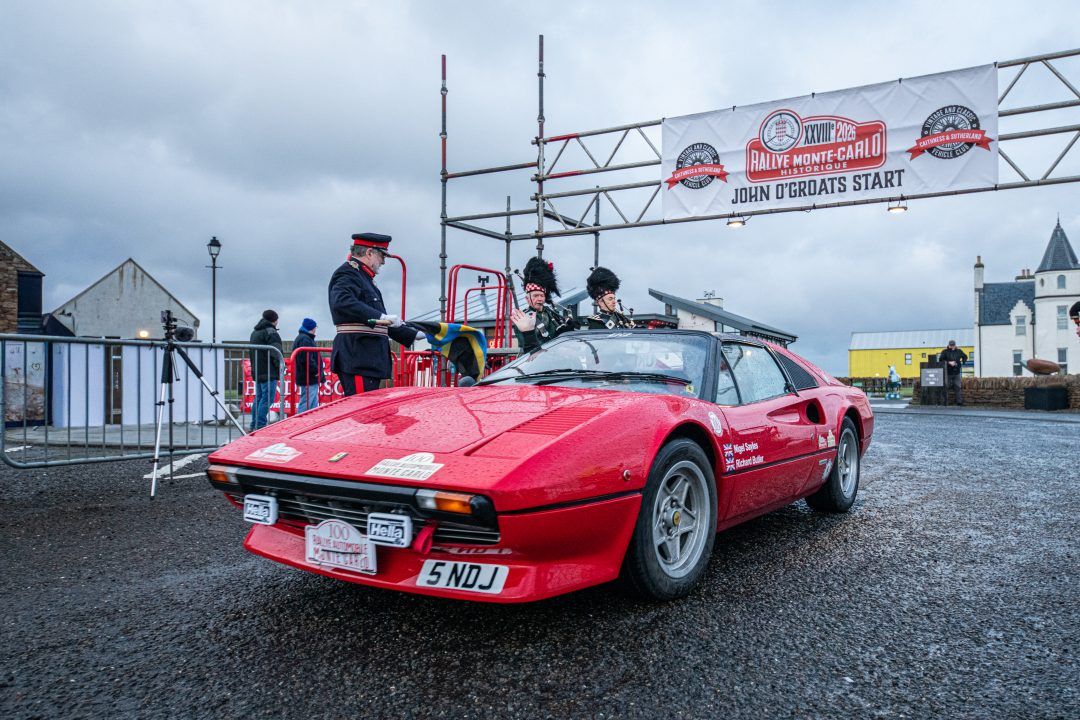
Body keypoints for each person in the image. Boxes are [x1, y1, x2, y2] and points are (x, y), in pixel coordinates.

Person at [328, 233, 419, 396]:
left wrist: (415, 335)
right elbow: (342, 302)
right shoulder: (348, 274)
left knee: (366, 415)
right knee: (361, 415)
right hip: (358, 357)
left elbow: (379, 323)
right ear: (369, 253)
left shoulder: (364, 278)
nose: (383, 261)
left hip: (366, 359)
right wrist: (382, 317)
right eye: (381, 256)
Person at [510, 256, 578, 352]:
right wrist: (556, 337)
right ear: (527, 299)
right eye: (535, 296)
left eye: (542, 296)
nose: (540, 299)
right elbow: (527, 344)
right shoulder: (522, 318)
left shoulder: (552, 313)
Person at [249, 309, 283, 429]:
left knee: (258, 398)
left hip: (258, 371)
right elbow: (276, 352)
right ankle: (260, 425)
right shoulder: (271, 332)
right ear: (275, 320)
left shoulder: (255, 332)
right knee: (267, 399)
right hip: (269, 372)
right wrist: (280, 366)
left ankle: (254, 424)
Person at [292, 317, 323, 413]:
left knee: (311, 402)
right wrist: (316, 371)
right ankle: (299, 423)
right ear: (312, 328)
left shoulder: (303, 338)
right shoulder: (305, 339)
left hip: (308, 376)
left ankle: (310, 422)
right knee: (307, 402)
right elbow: (306, 359)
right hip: (309, 376)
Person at [938, 339, 968, 405]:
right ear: (948, 345)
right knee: (946, 387)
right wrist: (949, 363)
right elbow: (941, 360)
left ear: (955, 345)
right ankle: (944, 402)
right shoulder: (944, 352)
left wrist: (963, 362)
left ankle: (959, 402)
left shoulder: (959, 351)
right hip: (947, 372)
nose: (952, 346)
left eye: (953, 345)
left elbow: (965, 356)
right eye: (951, 345)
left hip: (957, 371)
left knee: (958, 387)